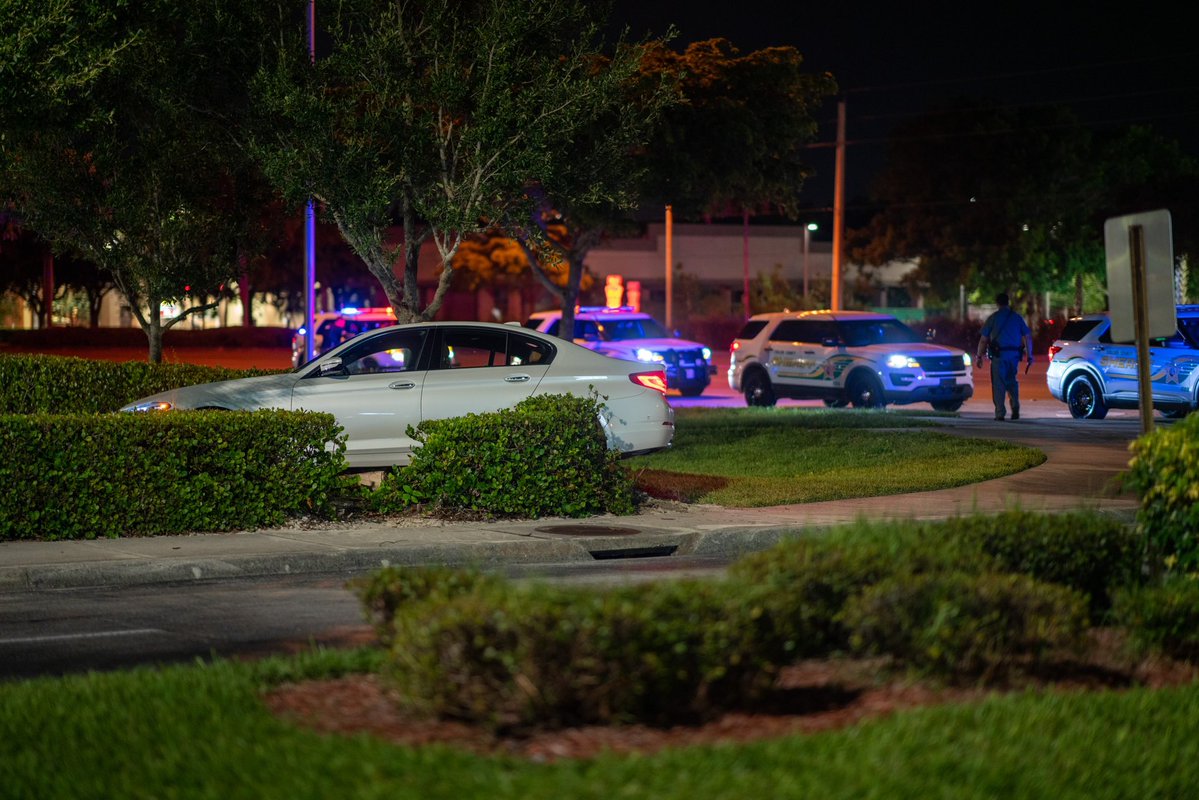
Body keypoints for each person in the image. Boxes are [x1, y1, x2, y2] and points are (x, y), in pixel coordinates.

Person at [976, 292, 1034, 420]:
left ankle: (1000, 413)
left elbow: (983, 339)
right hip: (1014, 356)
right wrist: (1030, 355)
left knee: (999, 383)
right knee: (1012, 381)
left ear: (997, 303)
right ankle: (1015, 407)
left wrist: (979, 356)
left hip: (999, 356)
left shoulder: (993, 318)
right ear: (1008, 302)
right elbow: (1027, 337)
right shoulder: (1017, 318)